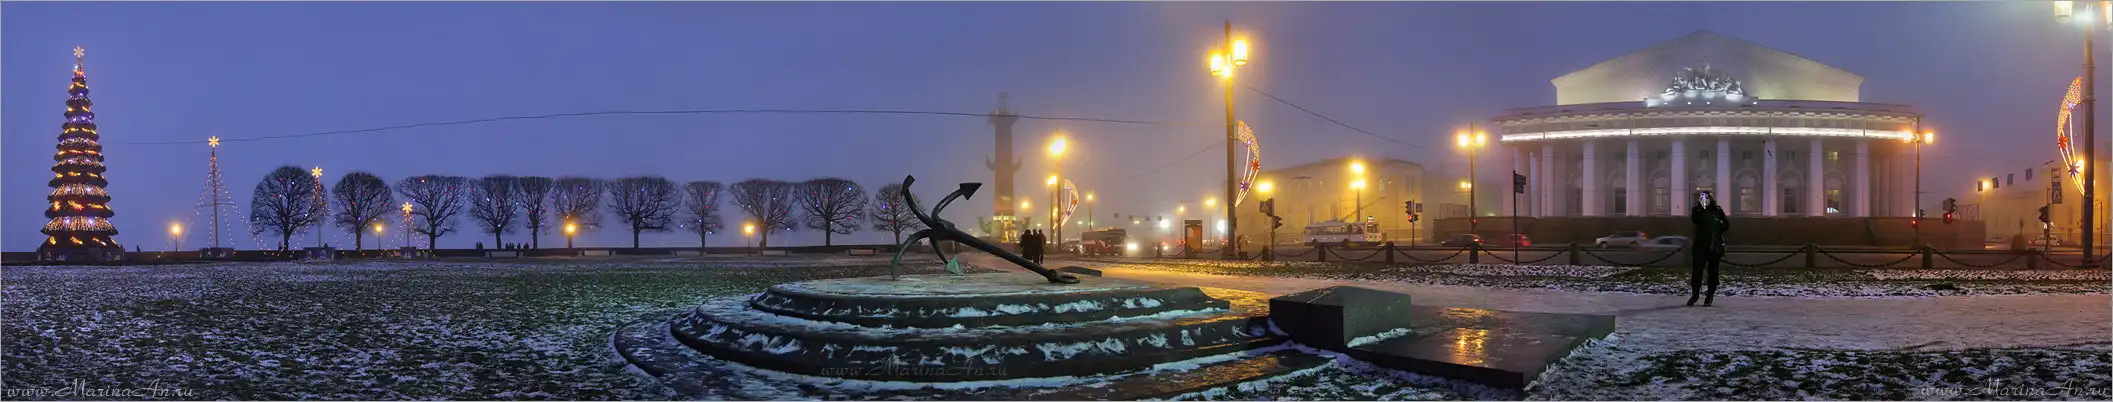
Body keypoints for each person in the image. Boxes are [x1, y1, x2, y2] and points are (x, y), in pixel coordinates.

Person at [1688, 191, 1731, 306]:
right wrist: (1702, 210)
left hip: (1714, 244)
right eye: (1702, 198)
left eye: (1706, 198)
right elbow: (1695, 220)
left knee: (1713, 272)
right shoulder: (1697, 210)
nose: (1704, 200)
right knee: (1697, 271)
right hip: (1700, 244)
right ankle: (1695, 295)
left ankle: (1709, 296)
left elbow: (1726, 225)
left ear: (1711, 199)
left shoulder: (1717, 210)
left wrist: (1718, 223)